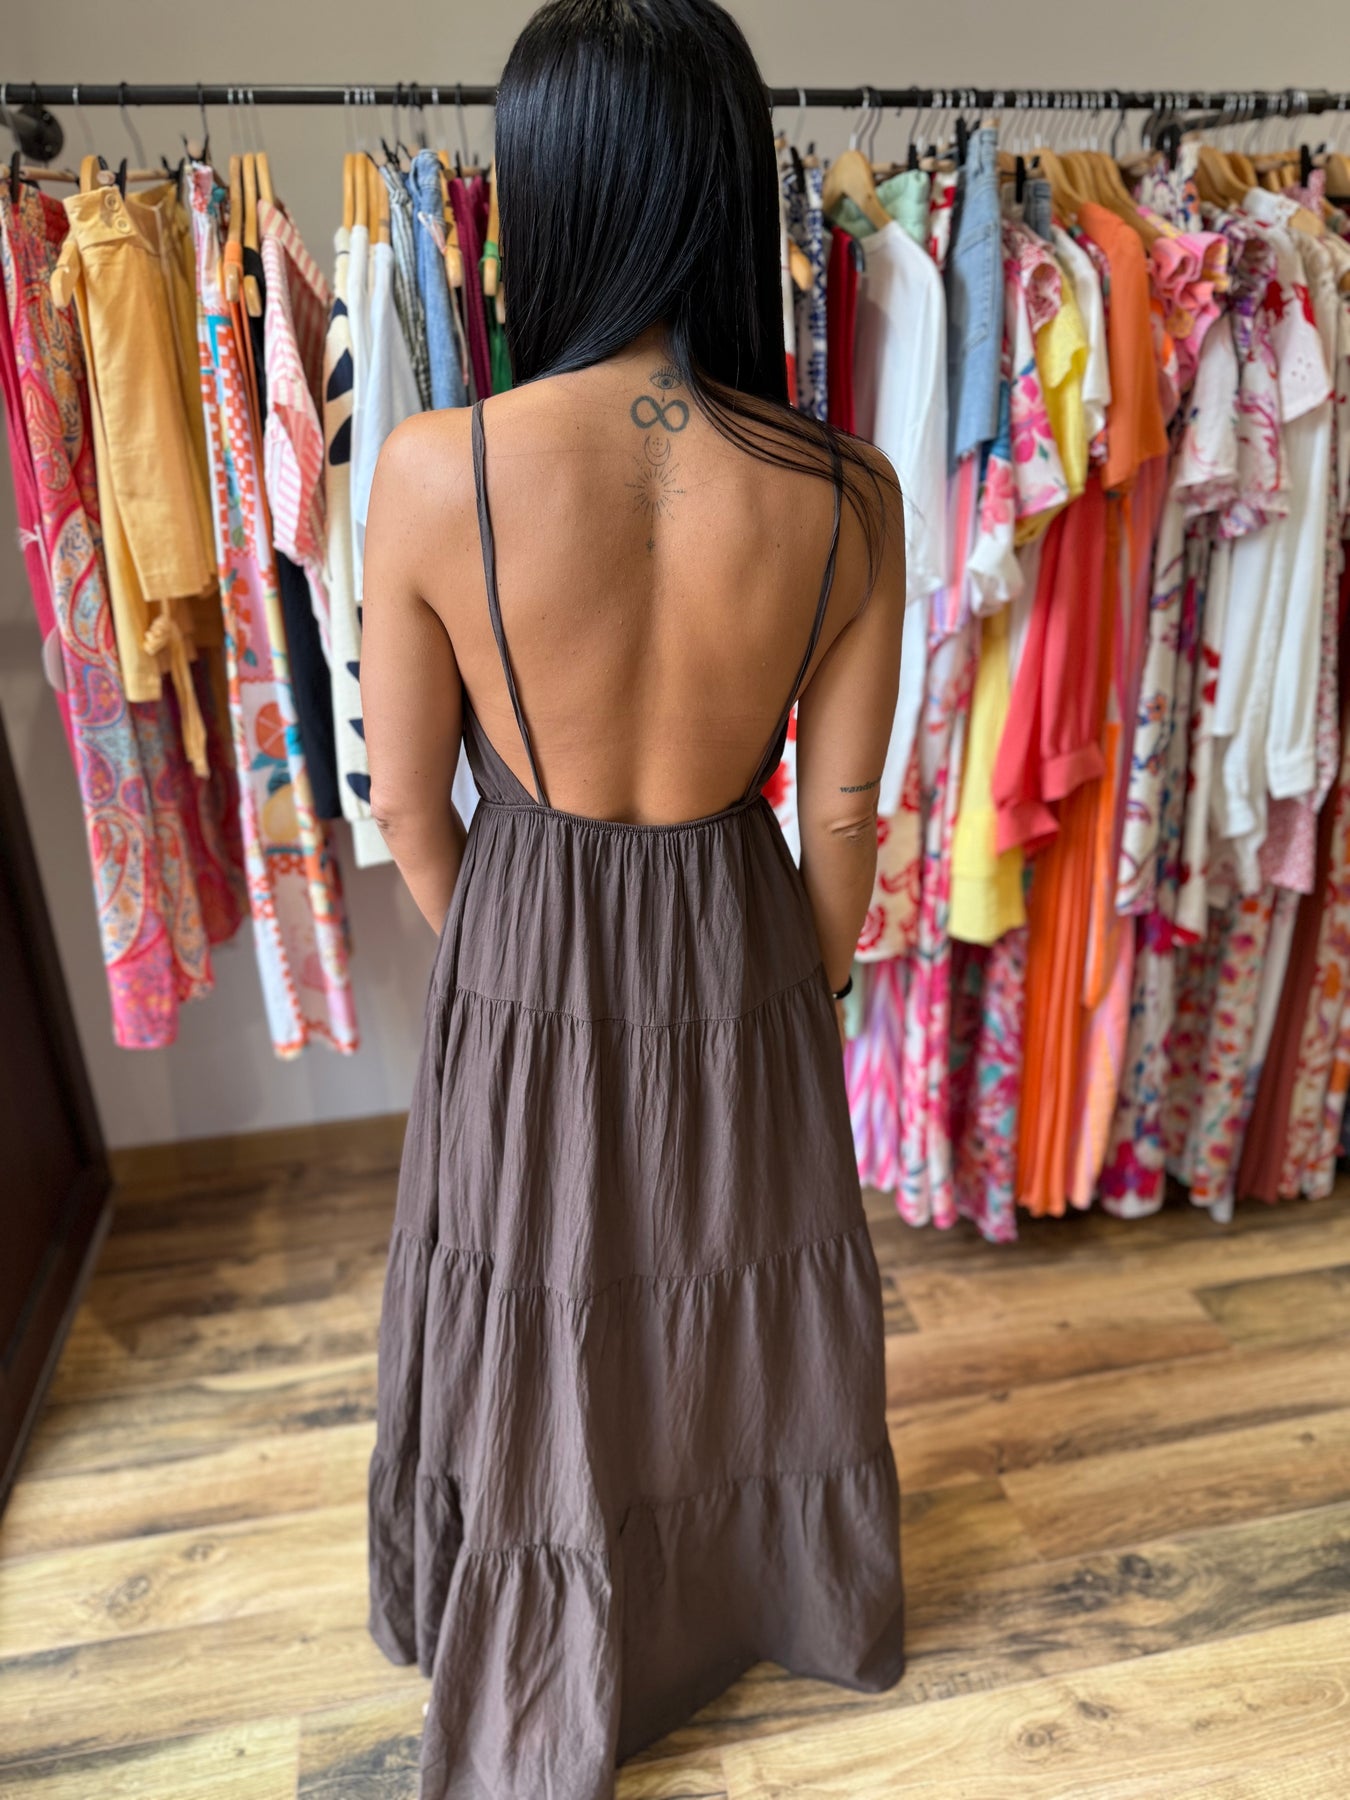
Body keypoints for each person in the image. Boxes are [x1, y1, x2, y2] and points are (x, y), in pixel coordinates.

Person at [359, 1, 908, 1792]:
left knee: (534, 1297)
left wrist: (511, 974)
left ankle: (536, 1639)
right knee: (729, 1286)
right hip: (743, 926)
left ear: (549, 191)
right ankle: (760, 1595)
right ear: (730, 183)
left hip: (521, 922)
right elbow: (842, 817)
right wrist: (783, 996)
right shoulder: (848, 492)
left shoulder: (437, 468)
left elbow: (405, 801)